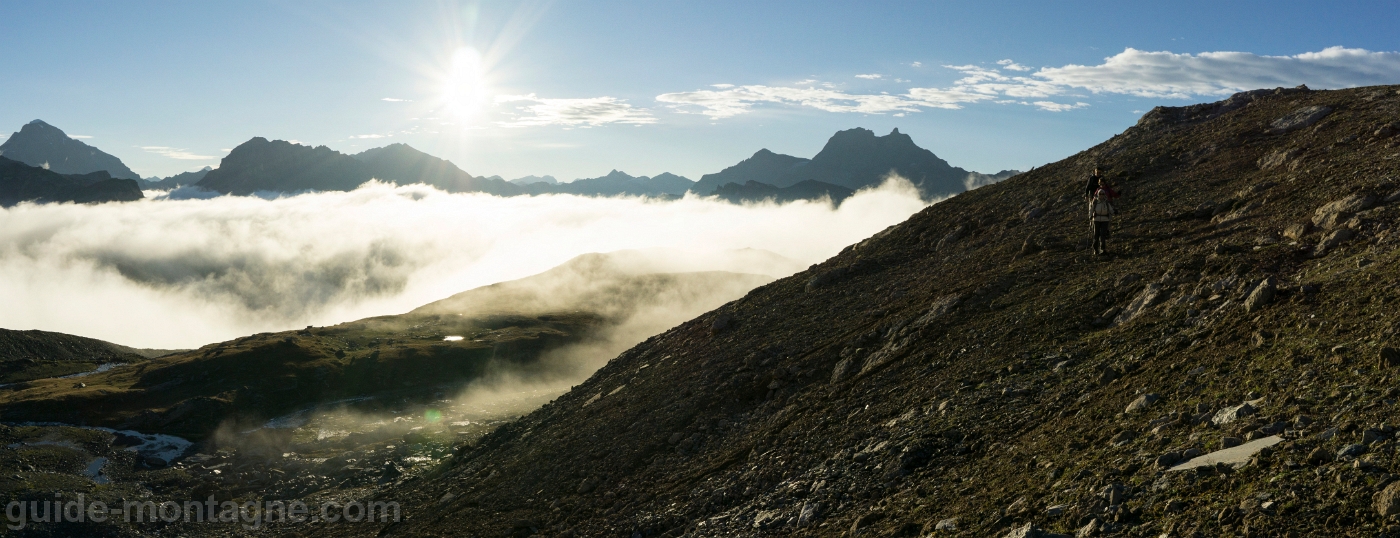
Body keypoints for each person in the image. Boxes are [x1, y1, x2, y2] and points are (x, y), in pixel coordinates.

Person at [1090, 178, 1119, 255]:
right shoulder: (1095, 202)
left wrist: (1114, 212)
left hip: (1104, 219)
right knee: (1096, 235)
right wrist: (1090, 216)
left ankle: (1102, 249)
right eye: (1100, 194)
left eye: (1103, 194)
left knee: (1102, 235)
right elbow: (1091, 210)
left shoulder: (1106, 202)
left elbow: (1110, 210)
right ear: (1098, 194)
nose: (1102, 195)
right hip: (1096, 219)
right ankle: (1095, 249)